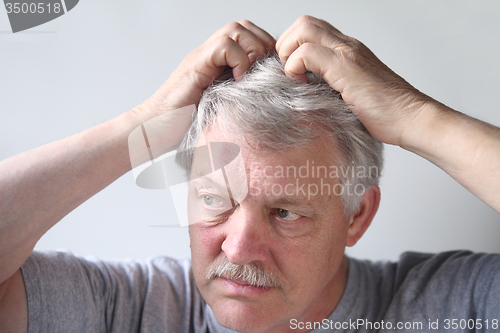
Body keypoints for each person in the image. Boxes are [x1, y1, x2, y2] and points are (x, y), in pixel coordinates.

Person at [0, 15, 499, 333]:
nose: (238, 248)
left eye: (285, 211)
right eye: (214, 200)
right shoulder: (131, 310)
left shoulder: (453, 307)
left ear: (356, 216)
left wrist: (417, 117)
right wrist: (142, 124)